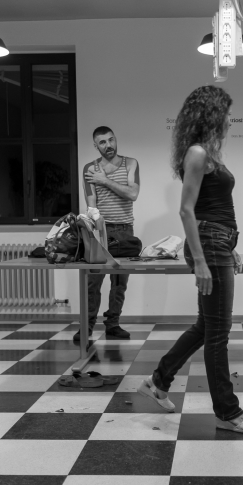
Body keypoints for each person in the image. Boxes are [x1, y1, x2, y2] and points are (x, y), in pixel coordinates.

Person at [137, 86, 243, 434]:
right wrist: (203, 260)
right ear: (212, 115)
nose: (229, 120)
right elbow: (186, 210)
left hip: (217, 242)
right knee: (218, 334)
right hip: (209, 244)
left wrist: (228, 245)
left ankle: (158, 381)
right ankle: (227, 412)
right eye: (226, 113)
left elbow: (212, 207)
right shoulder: (197, 153)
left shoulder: (207, 153)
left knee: (206, 327)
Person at [74, 126, 140, 341]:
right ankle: (87, 327)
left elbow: (133, 194)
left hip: (125, 230)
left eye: (111, 140)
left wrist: (104, 181)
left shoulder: (130, 163)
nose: (108, 145)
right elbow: (91, 204)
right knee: (93, 282)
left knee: (119, 283)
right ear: (96, 146)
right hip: (101, 231)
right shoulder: (89, 168)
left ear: (115, 139)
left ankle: (113, 324)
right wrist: (95, 227)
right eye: (102, 142)